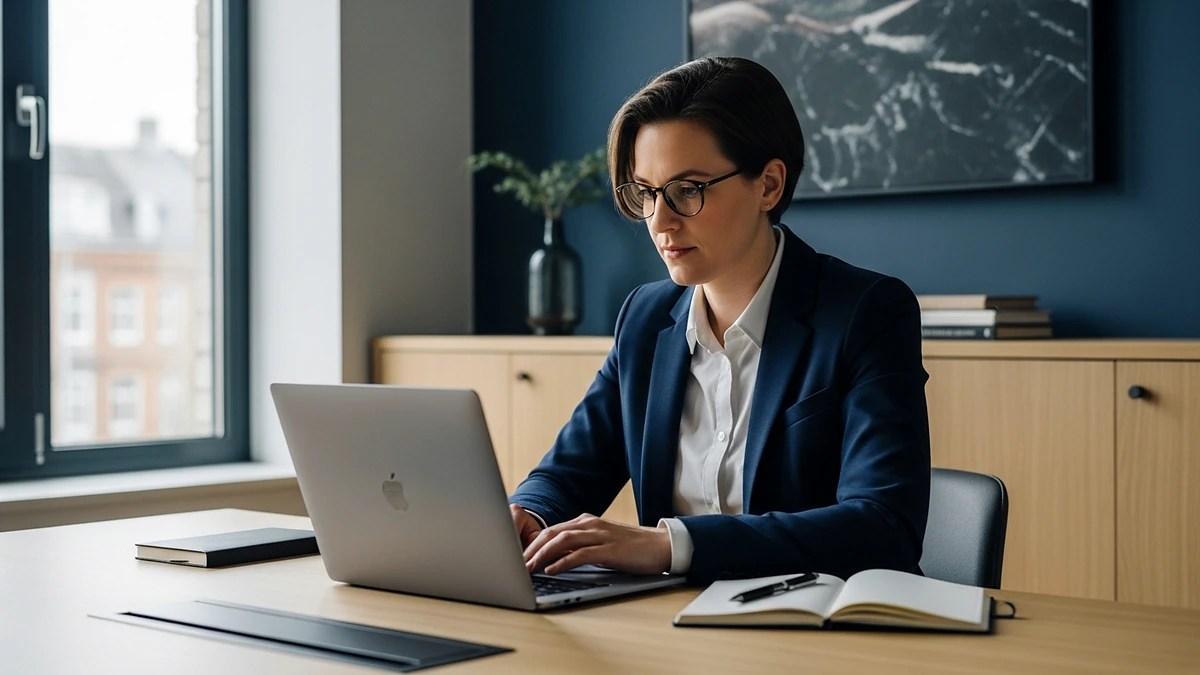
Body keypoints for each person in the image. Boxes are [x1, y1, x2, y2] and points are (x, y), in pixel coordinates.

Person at [509, 56, 930, 584]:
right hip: (673, 629)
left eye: (688, 190)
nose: (659, 222)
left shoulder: (867, 312)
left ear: (769, 186)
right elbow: (570, 471)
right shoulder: (645, 318)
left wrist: (670, 546)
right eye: (646, 193)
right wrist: (527, 512)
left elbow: (883, 527)